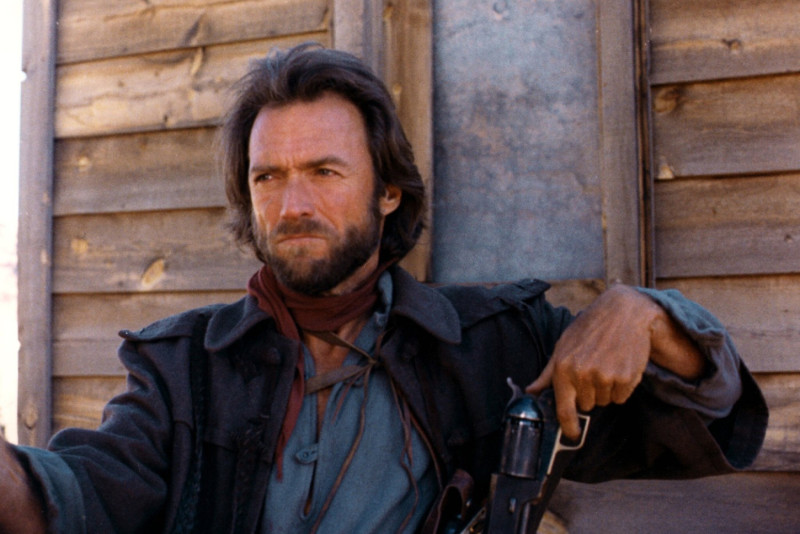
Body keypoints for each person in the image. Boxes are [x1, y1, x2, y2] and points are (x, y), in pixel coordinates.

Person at [0, 43, 767, 534]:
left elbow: (714, 423)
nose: (293, 206)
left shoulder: (498, 344)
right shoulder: (182, 369)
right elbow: (81, 495)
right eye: (268, 177)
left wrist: (646, 314)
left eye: (324, 171)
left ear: (389, 191)